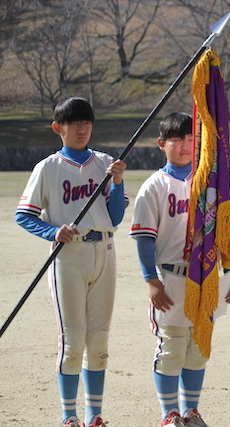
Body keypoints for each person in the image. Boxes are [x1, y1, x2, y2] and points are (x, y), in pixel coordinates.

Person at [15, 96, 128, 427]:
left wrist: (118, 182)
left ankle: (94, 416)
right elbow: (24, 215)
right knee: (72, 340)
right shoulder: (47, 168)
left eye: (87, 123)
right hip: (68, 256)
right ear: (57, 128)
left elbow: (116, 216)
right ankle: (69, 416)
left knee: (99, 338)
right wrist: (52, 232)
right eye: (74, 123)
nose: (82, 129)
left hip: (104, 252)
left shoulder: (106, 163)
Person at [129, 112, 230, 427]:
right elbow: (144, 238)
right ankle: (169, 413)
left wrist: (229, 271)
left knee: (197, 347)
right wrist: (150, 280)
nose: (186, 144)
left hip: (205, 277)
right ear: (161, 144)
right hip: (171, 276)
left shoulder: (209, 183)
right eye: (177, 138)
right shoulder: (154, 186)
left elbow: (224, 229)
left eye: (192, 138)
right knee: (172, 347)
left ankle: (191, 411)